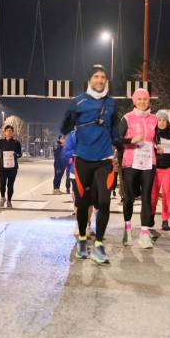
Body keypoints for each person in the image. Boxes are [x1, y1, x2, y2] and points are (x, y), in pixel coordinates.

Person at [60, 64, 118, 264]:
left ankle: (99, 245)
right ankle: (83, 239)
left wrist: (126, 144)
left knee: (104, 202)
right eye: (96, 77)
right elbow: (65, 127)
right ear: (89, 80)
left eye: (103, 77)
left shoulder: (111, 103)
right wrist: (68, 120)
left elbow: (116, 132)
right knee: (83, 203)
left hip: (104, 159)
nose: (100, 80)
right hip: (83, 160)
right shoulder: (78, 101)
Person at [116, 89, 158, 248]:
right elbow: (117, 141)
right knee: (129, 198)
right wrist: (131, 140)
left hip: (149, 162)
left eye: (145, 99)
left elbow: (156, 139)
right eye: (139, 99)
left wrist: (158, 147)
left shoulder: (154, 119)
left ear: (149, 101)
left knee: (147, 197)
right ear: (134, 101)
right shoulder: (127, 118)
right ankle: (127, 230)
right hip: (131, 162)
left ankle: (145, 234)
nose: (142, 101)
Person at [151, 110, 170, 231]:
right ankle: (151, 215)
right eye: (159, 120)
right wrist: (155, 149)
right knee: (153, 195)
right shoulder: (152, 133)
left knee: (167, 194)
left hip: (168, 168)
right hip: (155, 168)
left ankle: (165, 220)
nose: (161, 122)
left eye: (164, 120)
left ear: (167, 122)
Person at [0, 124, 22, 208]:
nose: (9, 132)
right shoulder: (1, 142)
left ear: (13, 133)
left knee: (10, 185)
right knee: (2, 183)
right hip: (3, 167)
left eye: (11, 131)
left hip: (13, 168)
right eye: (7, 131)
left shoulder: (16, 143)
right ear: (4, 132)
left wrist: (16, 154)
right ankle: (2, 198)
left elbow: (20, 154)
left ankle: (9, 200)